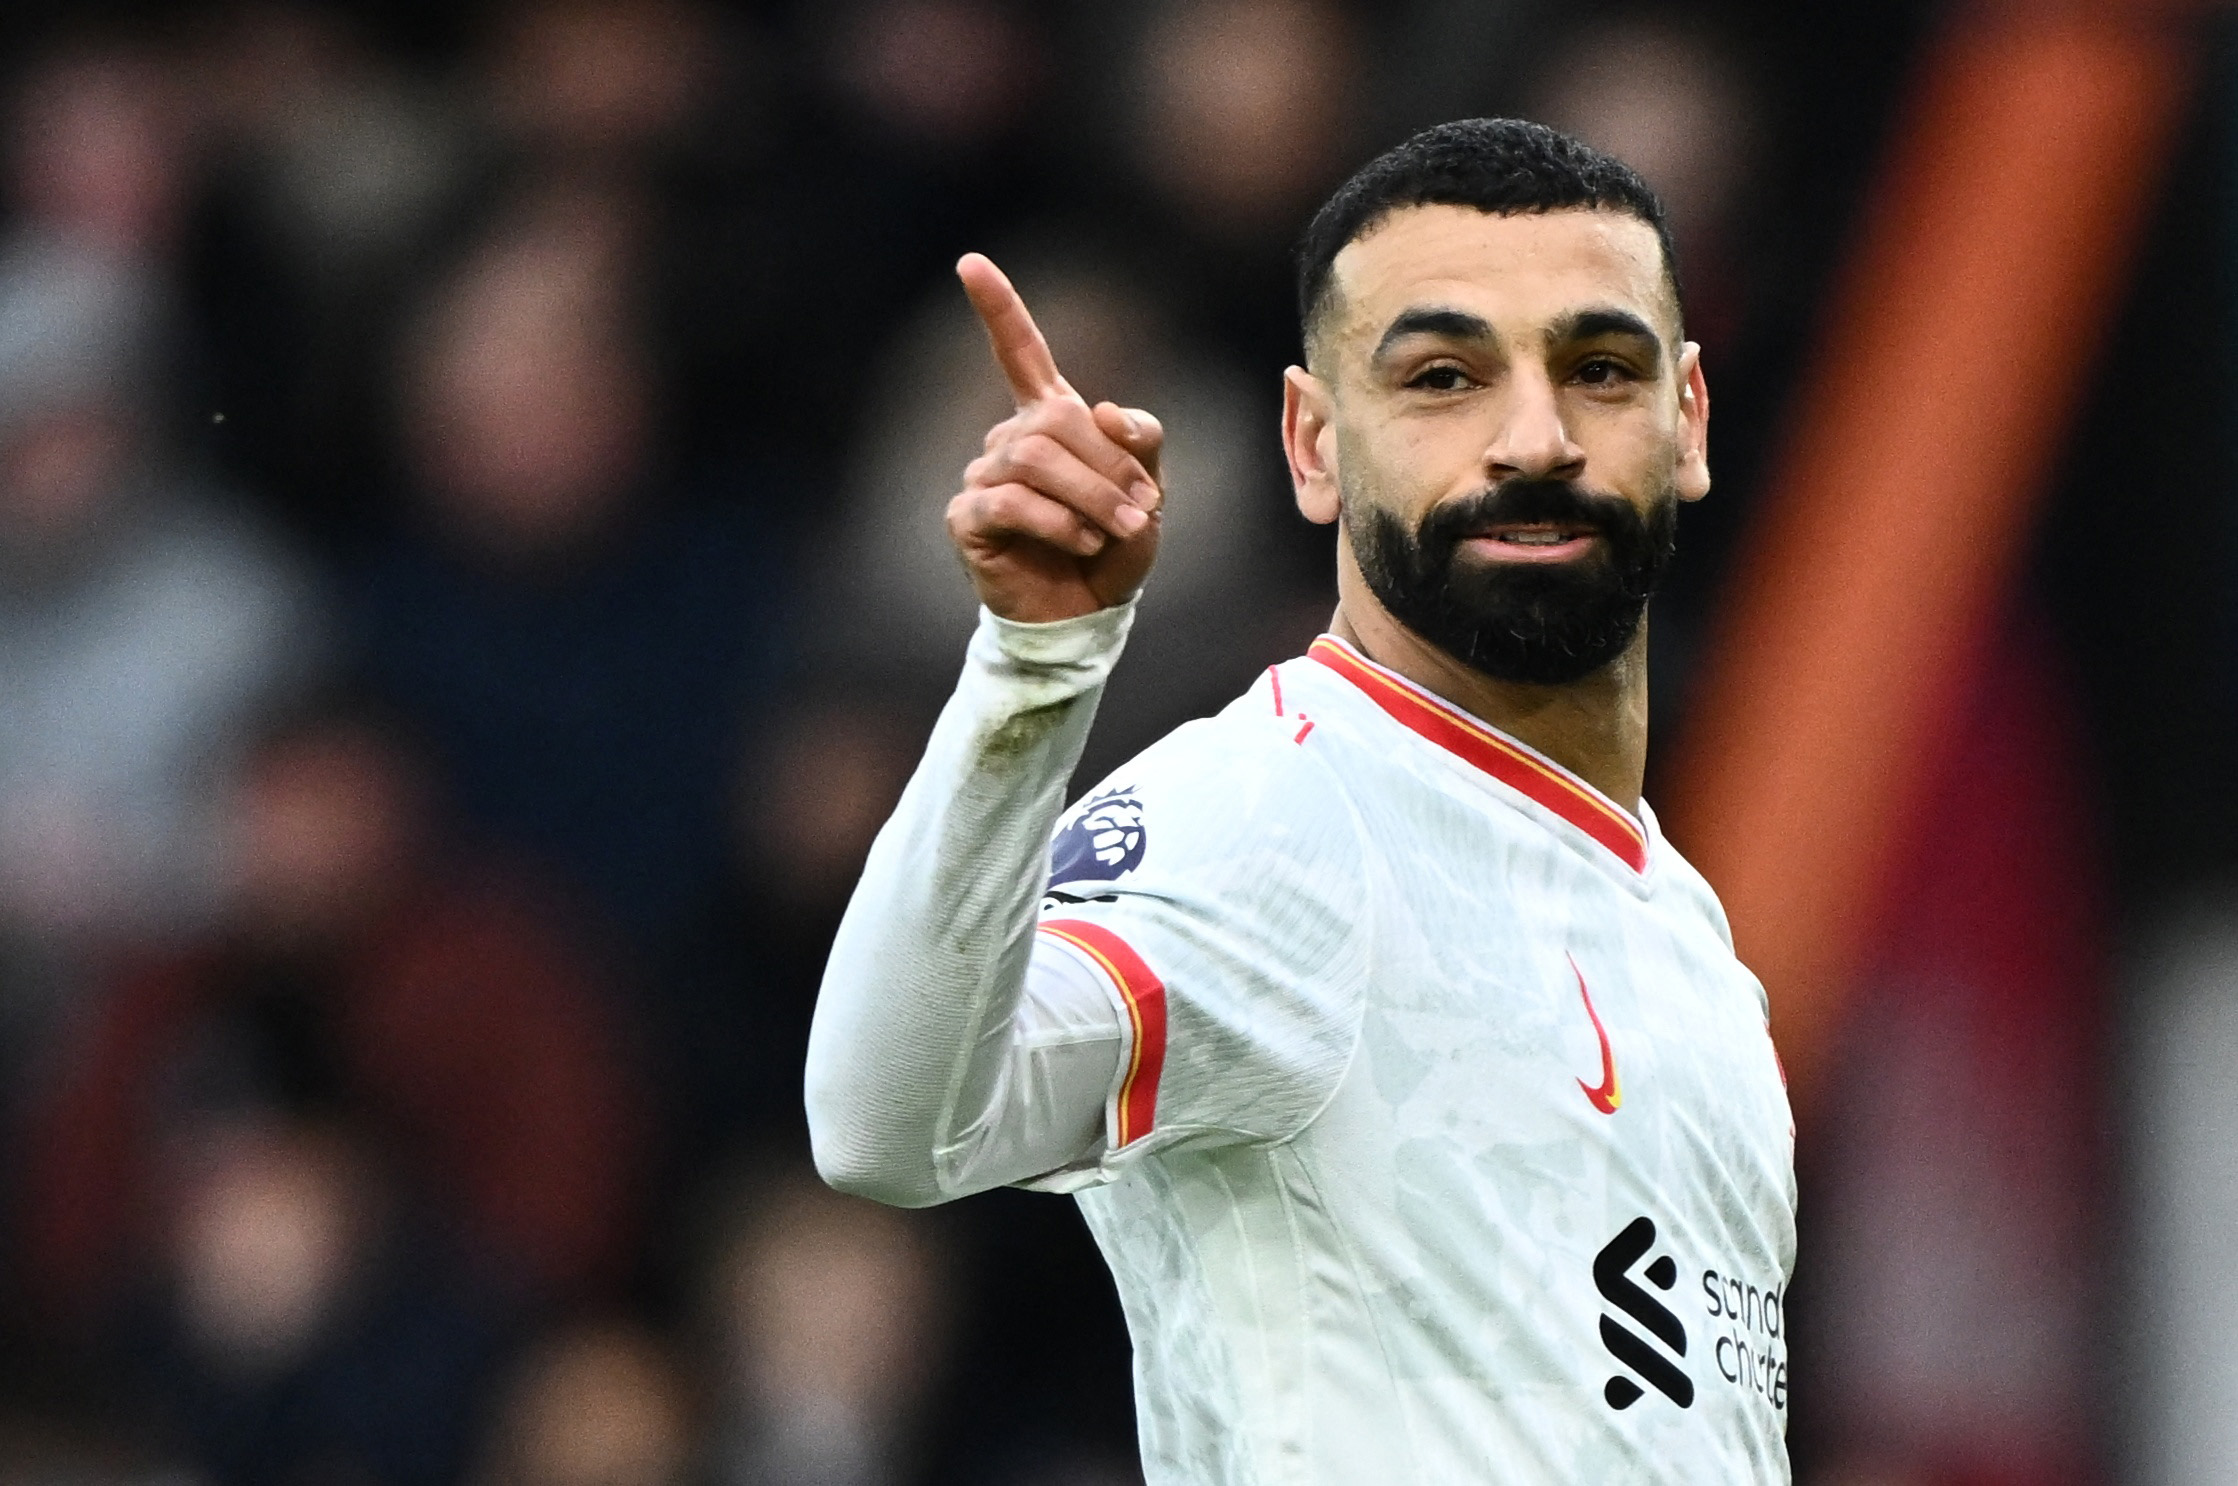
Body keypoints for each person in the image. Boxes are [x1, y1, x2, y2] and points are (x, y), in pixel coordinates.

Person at [805, 119, 1795, 1482]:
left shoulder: (1688, 941)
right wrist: (1031, 671)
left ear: (1685, 422)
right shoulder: (1276, 817)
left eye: (1599, 368)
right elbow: (888, 1124)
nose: (1534, 435)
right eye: (1443, 375)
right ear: (1312, 443)